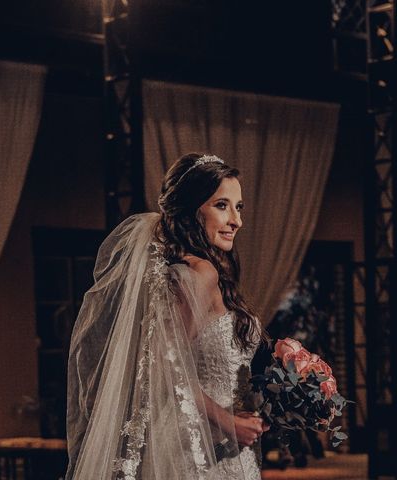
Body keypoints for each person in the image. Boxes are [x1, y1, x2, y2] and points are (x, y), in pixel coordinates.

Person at [66, 153, 267, 479]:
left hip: (218, 443)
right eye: (222, 205)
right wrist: (226, 421)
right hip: (194, 448)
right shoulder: (200, 273)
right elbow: (162, 366)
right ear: (192, 210)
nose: (236, 220)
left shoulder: (203, 269)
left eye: (238, 207)